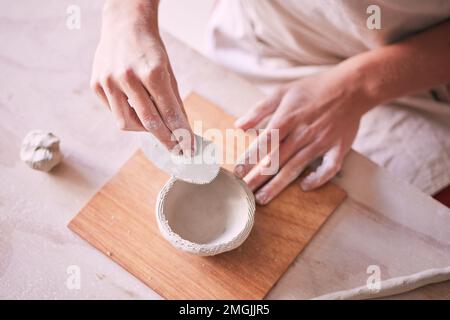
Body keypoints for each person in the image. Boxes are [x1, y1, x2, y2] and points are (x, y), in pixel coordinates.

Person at [91, 0, 450, 205]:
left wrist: (358, 86)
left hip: (411, 74)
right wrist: (126, 16)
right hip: (269, 30)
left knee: (366, 208)